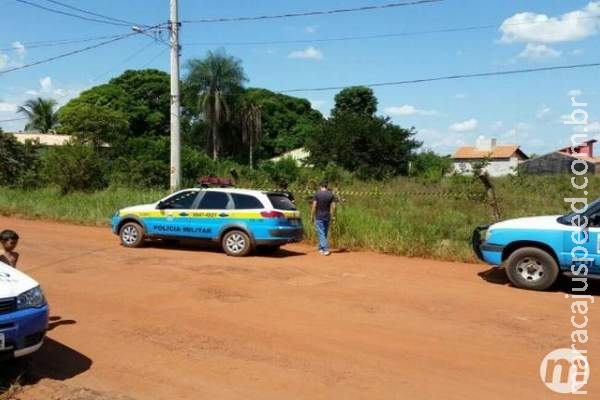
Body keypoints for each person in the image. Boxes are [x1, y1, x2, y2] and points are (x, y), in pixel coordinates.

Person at [311, 180, 337, 256]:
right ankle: (321, 248)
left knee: (321, 232)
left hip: (319, 216)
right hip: (327, 216)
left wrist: (312, 215)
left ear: (320, 186)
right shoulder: (331, 195)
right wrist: (333, 216)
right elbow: (334, 206)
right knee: (324, 232)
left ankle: (325, 249)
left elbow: (314, 206)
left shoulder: (317, 194)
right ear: (327, 186)